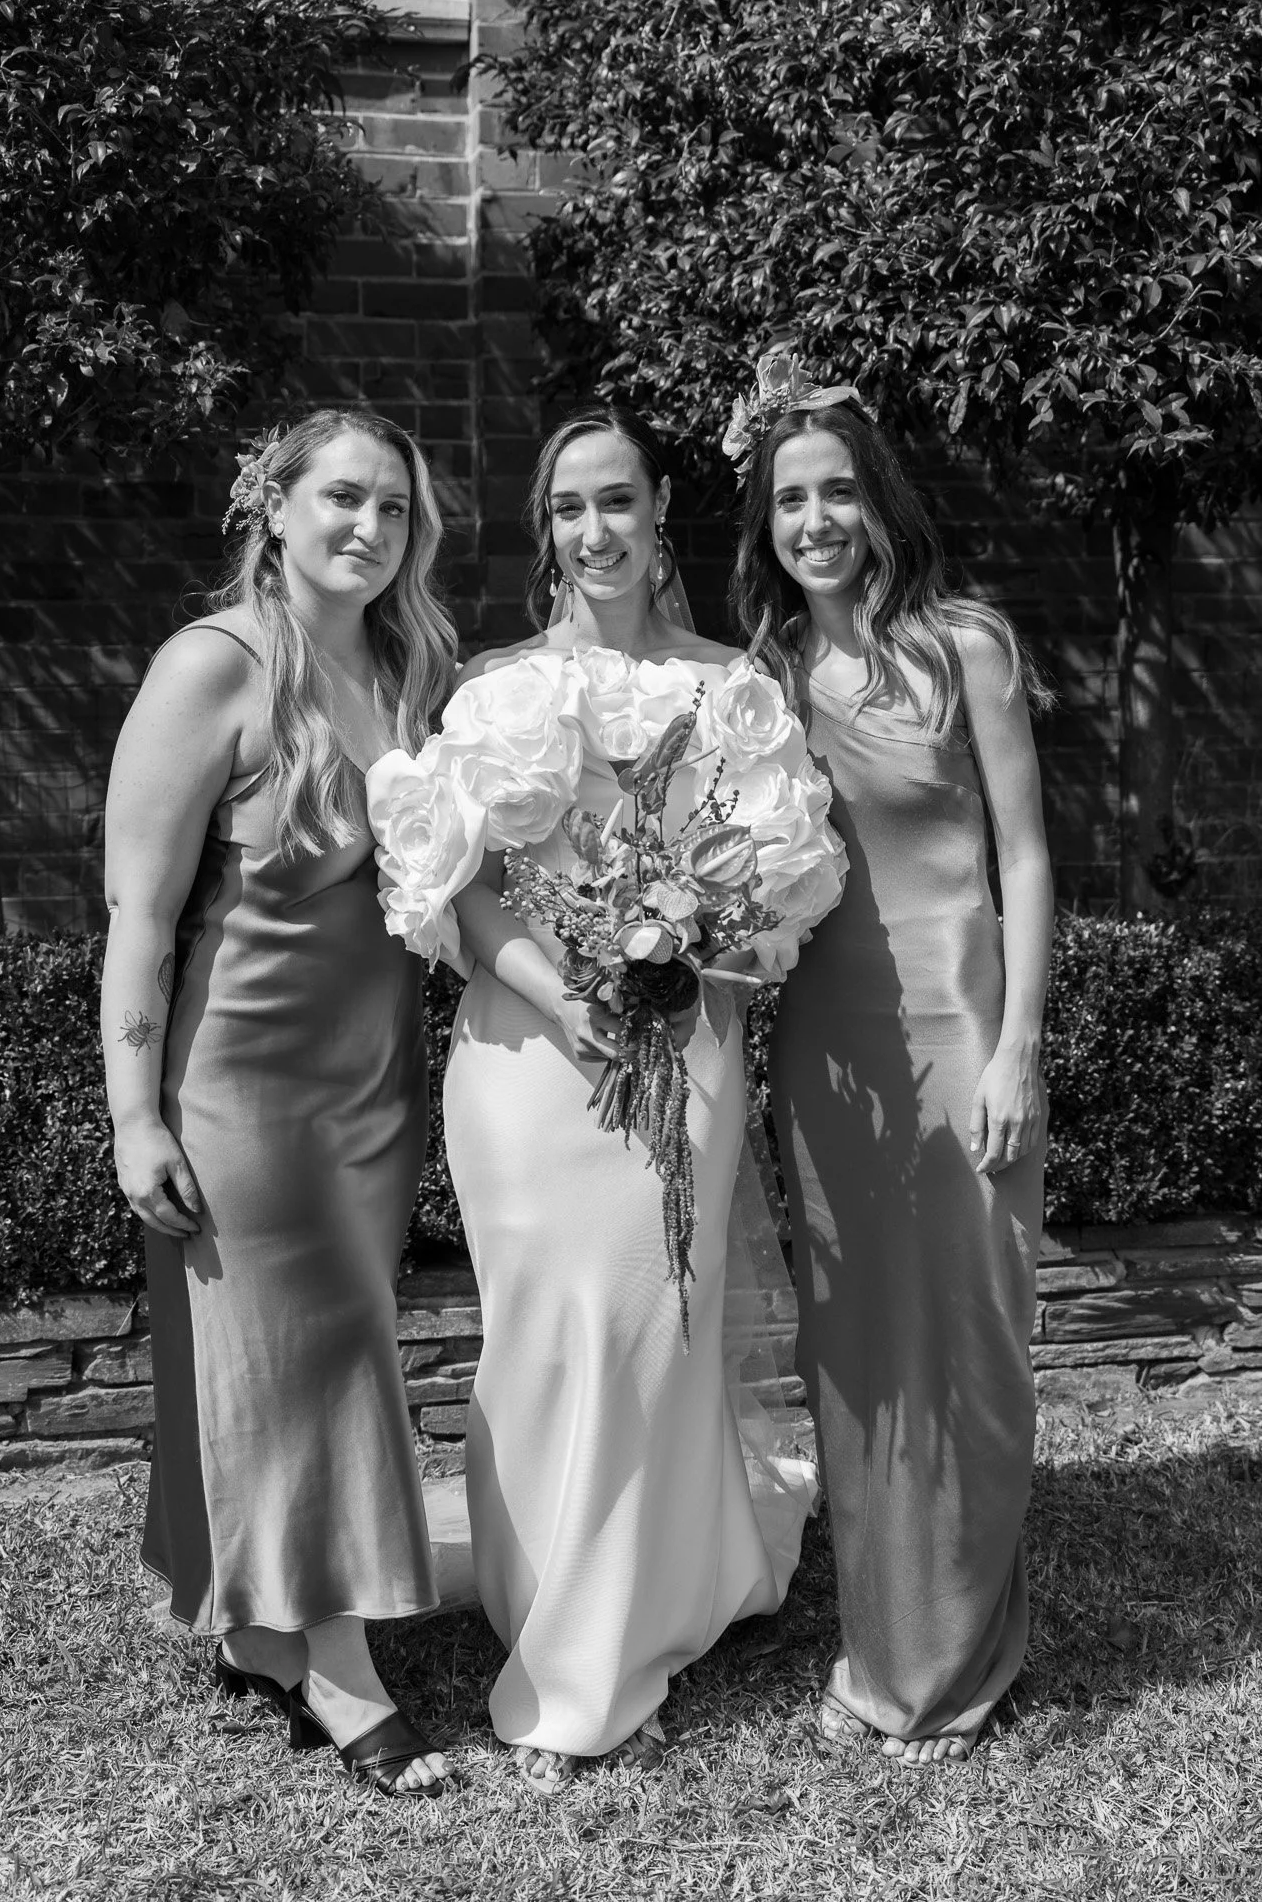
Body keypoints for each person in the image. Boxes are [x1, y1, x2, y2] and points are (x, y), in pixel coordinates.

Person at [426, 405, 818, 1794]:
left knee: (653, 1328)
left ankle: (597, 1662)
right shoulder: (496, 688)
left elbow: (777, 893)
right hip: (526, 1060)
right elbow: (450, 888)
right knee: (545, 1335)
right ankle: (541, 1591)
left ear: (663, 515)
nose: (594, 531)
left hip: (684, 1053)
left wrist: (692, 935)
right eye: (567, 510)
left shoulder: (736, 692)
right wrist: (568, 989)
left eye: (617, 502)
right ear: (549, 535)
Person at [101, 408, 458, 1799]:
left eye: (394, 510)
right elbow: (138, 915)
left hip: (376, 1082)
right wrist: (136, 1114)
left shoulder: (404, 663)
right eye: (344, 500)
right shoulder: (213, 668)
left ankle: (259, 1627)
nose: (369, 529)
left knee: (328, 1346)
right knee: (304, 1365)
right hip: (242, 1085)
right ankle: (338, 1669)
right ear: (278, 505)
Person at [727, 351, 1055, 1766]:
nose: (815, 520)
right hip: (828, 1051)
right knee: (857, 1346)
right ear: (766, 523)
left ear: (879, 503)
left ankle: (964, 1656)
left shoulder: (966, 645)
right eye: (790, 498)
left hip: (958, 1024)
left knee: (971, 1336)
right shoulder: (763, 676)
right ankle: (885, 1643)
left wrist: (1019, 1050)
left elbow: (1027, 856)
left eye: (837, 491)